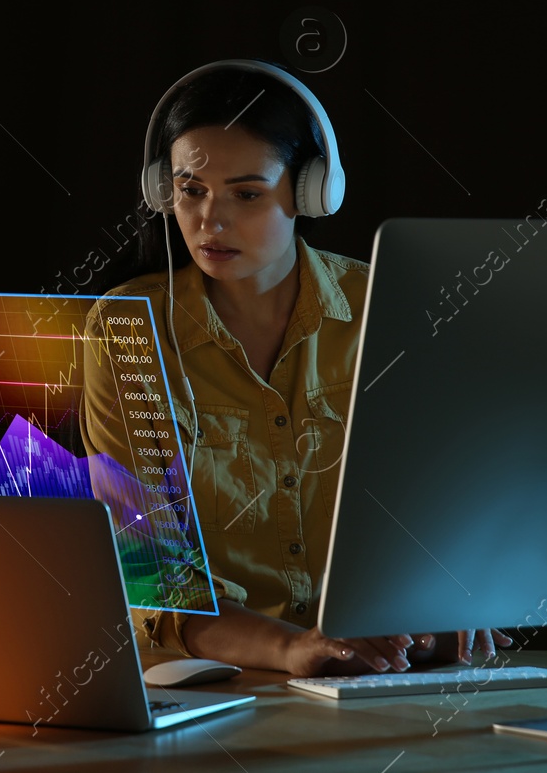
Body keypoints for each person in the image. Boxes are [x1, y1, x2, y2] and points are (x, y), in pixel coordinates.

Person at [80, 60, 510, 677]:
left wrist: (444, 599)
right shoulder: (126, 328)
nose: (210, 221)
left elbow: (448, 513)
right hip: (213, 680)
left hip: (384, 673)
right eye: (191, 190)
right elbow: (153, 574)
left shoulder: (387, 307)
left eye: (246, 194)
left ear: (310, 192)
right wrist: (290, 647)